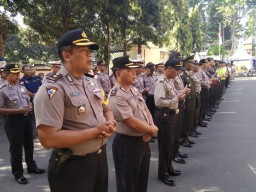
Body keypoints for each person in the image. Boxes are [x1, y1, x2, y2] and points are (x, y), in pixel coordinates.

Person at [34, 29, 116, 192]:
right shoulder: (53, 89)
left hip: (100, 159)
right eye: (84, 51)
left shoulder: (92, 83)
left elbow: (106, 108)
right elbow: (48, 139)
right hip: (72, 167)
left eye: (90, 51)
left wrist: (110, 122)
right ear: (67, 55)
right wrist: (95, 132)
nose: (90, 56)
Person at [108, 56, 158, 192]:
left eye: (134, 70)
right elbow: (130, 121)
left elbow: (145, 109)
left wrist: (150, 128)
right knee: (128, 185)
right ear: (119, 73)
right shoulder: (116, 95)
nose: (134, 73)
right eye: (130, 70)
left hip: (142, 140)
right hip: (127, 145)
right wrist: (152, 130)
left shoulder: (134, 89)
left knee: (141, 181)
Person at [0, 64, 45, 185]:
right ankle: (18, 173)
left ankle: (31, 166)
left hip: (26, 119)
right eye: (14, 73)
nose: (17, 75)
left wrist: (30, 105)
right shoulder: (2, 90)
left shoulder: (22, 87)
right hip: (13, 121)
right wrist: (17, 111)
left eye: (17, 73)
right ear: (6, 74)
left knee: (29, 145)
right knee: (16, 148)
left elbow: (28, 99)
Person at [154, 58, 186, 187]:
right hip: (165, 118)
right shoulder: (161, 82)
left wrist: (180, 94)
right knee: (165, 147)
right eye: (177, 70)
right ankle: (163, 174)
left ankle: (169, 168)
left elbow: (171, 96)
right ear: (170, 68)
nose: (178, 73)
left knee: (171, 144)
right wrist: (176, 98)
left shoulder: (169, 81)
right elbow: (159, 102)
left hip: (172, 116)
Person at [180, 56, 197, 148]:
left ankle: (186, 137)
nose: (192, 66)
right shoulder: (183, 75)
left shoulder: (188, 74)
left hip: (191, 102)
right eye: (191, 64)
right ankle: (183, 138)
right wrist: (184, 103)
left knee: (189, 121)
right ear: (186, 64)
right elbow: (182, 90)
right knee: (186, 122)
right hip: (187, 103)